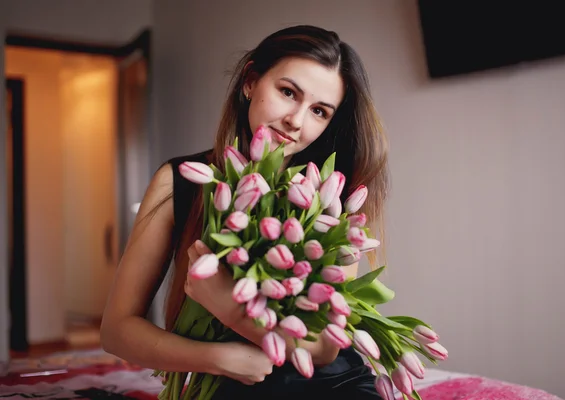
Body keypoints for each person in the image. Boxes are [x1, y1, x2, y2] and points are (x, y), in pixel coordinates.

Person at [100, 24, 390, 399]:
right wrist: (218, 358)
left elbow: (322, 349)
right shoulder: (181, 183)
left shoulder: (331, 195)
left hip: (335, 385)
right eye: (288, 92)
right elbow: (117, 330)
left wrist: (226, 305)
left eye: (319, 111)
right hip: (229, 386)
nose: (296, 121)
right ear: (251, 82)